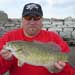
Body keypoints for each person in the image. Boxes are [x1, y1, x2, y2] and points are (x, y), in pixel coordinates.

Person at [0, 3, 74, 75]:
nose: (32, 22)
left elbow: (70, 72)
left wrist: (59, 70)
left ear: (42, 20)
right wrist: (6, 60)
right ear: (22, 20)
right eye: (27, 17)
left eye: (36, 18)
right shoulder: (8, 37)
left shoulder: (54, 38)